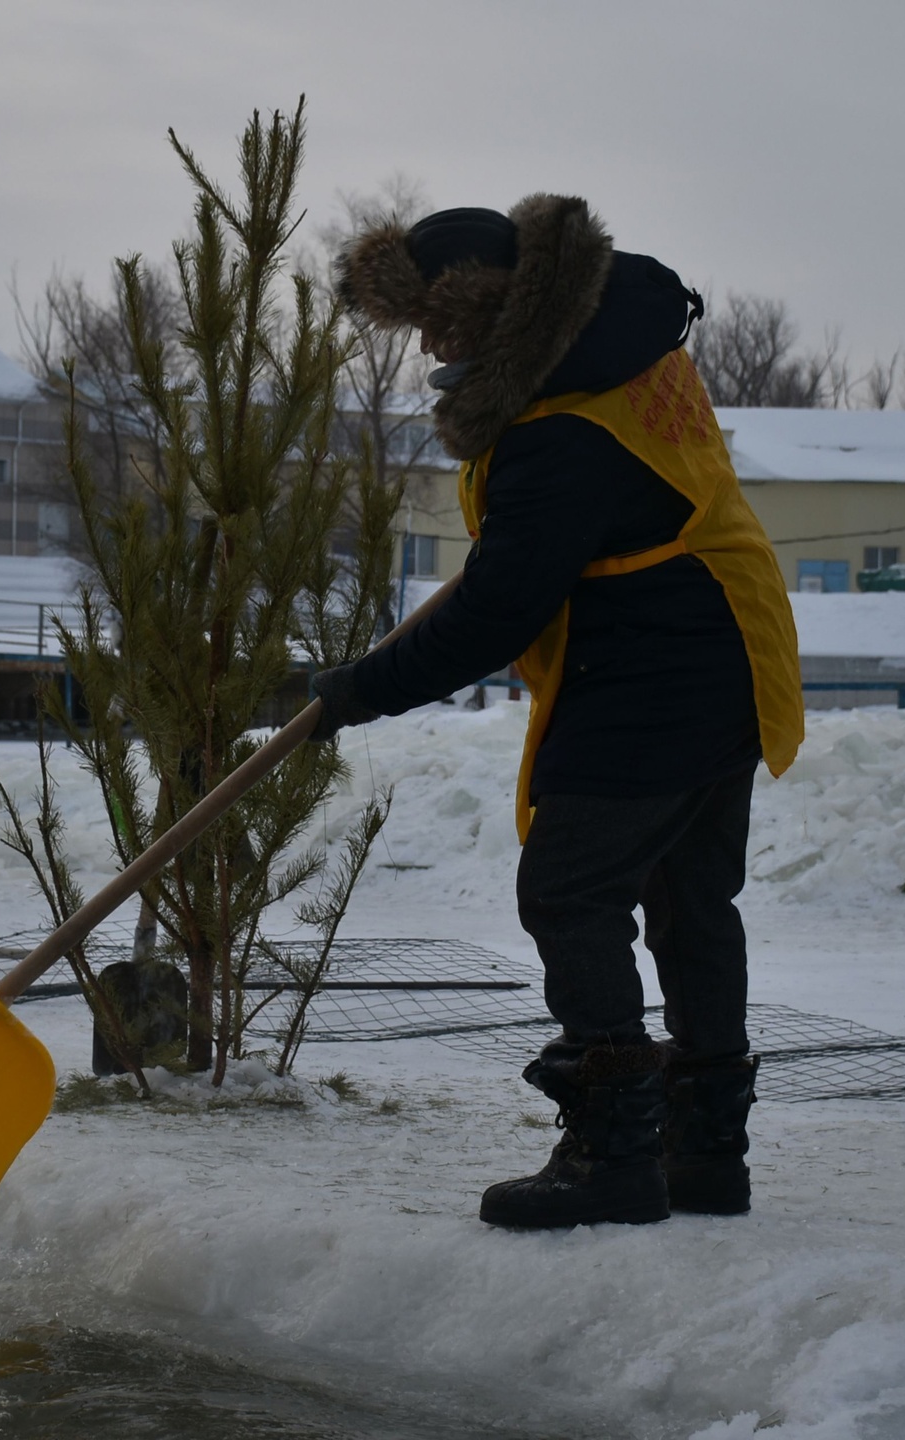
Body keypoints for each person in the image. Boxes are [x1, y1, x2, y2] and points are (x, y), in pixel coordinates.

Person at [317, 196, 802, 1228]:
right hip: (724, 646)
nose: (432, 352)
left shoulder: (559, 429)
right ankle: (705, 1154)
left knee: (573, 891)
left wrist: (364, 690)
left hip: (654, 673)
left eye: (444, 331)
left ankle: (615, 1157)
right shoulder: (616, 347)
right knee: (687, 896)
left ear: (496, 311)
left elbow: (500, 607)